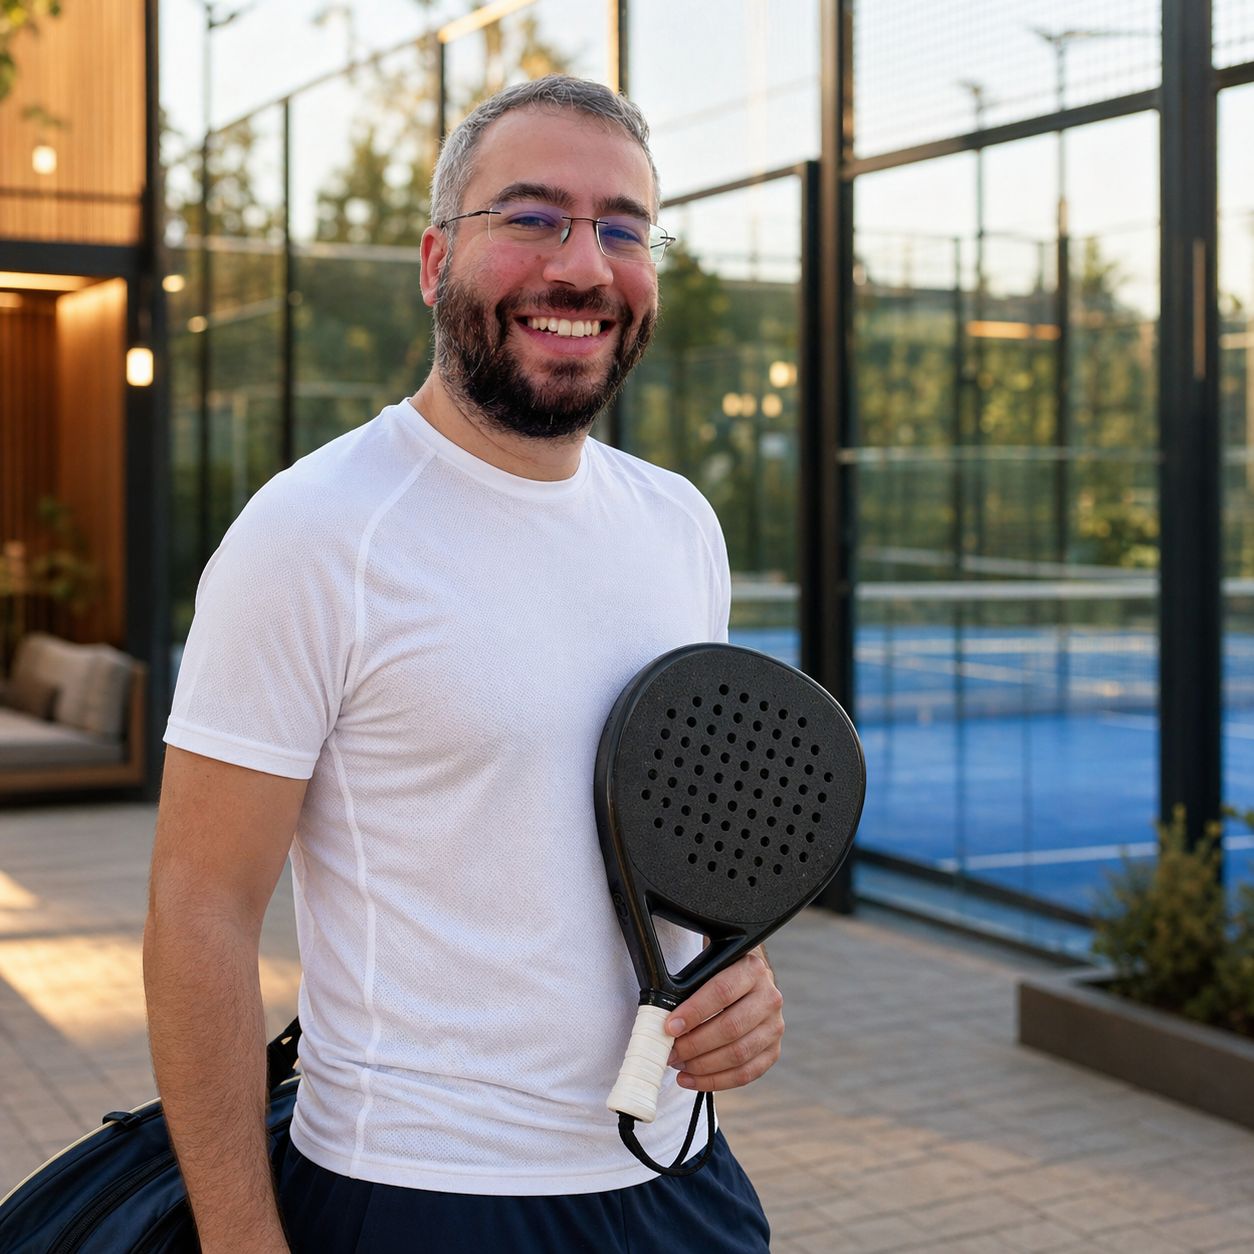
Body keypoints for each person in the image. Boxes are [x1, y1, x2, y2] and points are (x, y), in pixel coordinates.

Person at [144, 75, 781, 1253]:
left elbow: (671, 854)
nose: (585, 265)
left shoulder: (681, 523)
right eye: (533, 217)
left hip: (682, 1182)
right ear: (436, 261)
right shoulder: (315, 532)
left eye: (623, 228)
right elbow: (200, 909)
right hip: (418, 1196)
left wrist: (740, 986)